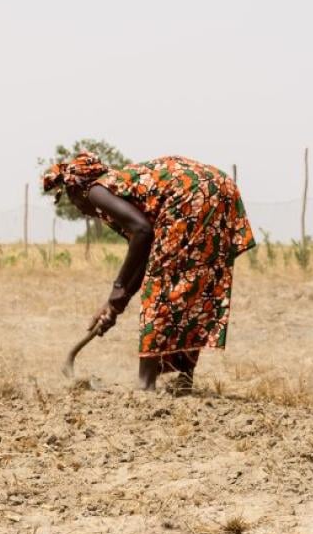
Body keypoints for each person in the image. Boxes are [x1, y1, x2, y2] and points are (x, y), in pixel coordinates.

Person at [42, 152, 255, 393]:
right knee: (191, 286)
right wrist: (117, 303)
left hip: (191, 194)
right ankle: (183, 381)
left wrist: (118, 288)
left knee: (160, 289)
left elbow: (142, 231)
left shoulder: (95, 190)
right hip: (219, 187)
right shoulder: (119, 185)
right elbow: (145, 253)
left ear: (76, 190)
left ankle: (146, 385)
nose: (79, 209)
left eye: (71, 199)